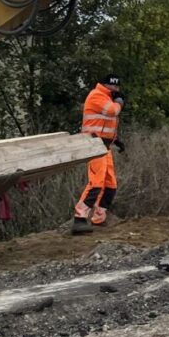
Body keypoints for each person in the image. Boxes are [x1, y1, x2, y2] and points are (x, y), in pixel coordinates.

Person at [71, 75, 125, 234]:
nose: (115, 90)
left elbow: (104, 123)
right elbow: (111, 112)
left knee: (110, 185)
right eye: (113, 87)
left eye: (117, 88)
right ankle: (79, 219)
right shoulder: (97, 96)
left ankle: (99, 218)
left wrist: (116, 140)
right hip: (94, 144)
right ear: (106, 85)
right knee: (96, 183)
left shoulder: (106, 97)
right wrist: (119, 102)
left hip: (104, 145)